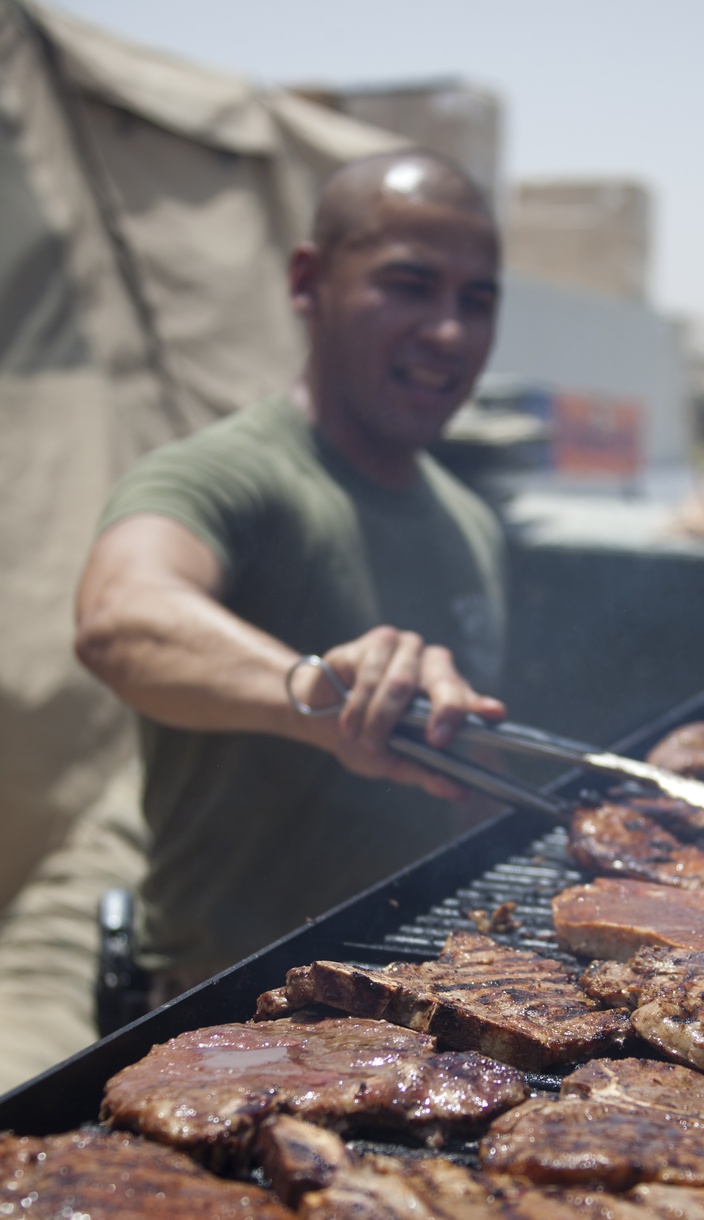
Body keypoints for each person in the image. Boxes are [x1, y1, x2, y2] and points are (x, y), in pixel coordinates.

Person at [75, 149, 507, 1001]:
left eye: (477, 300)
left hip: (414, 1002)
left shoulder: (473, 524)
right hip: (222, 1009)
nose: (449, 332)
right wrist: (318, 693)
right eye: (409, 285)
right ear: (310, 282)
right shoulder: (225, 473)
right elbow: (120, 616)